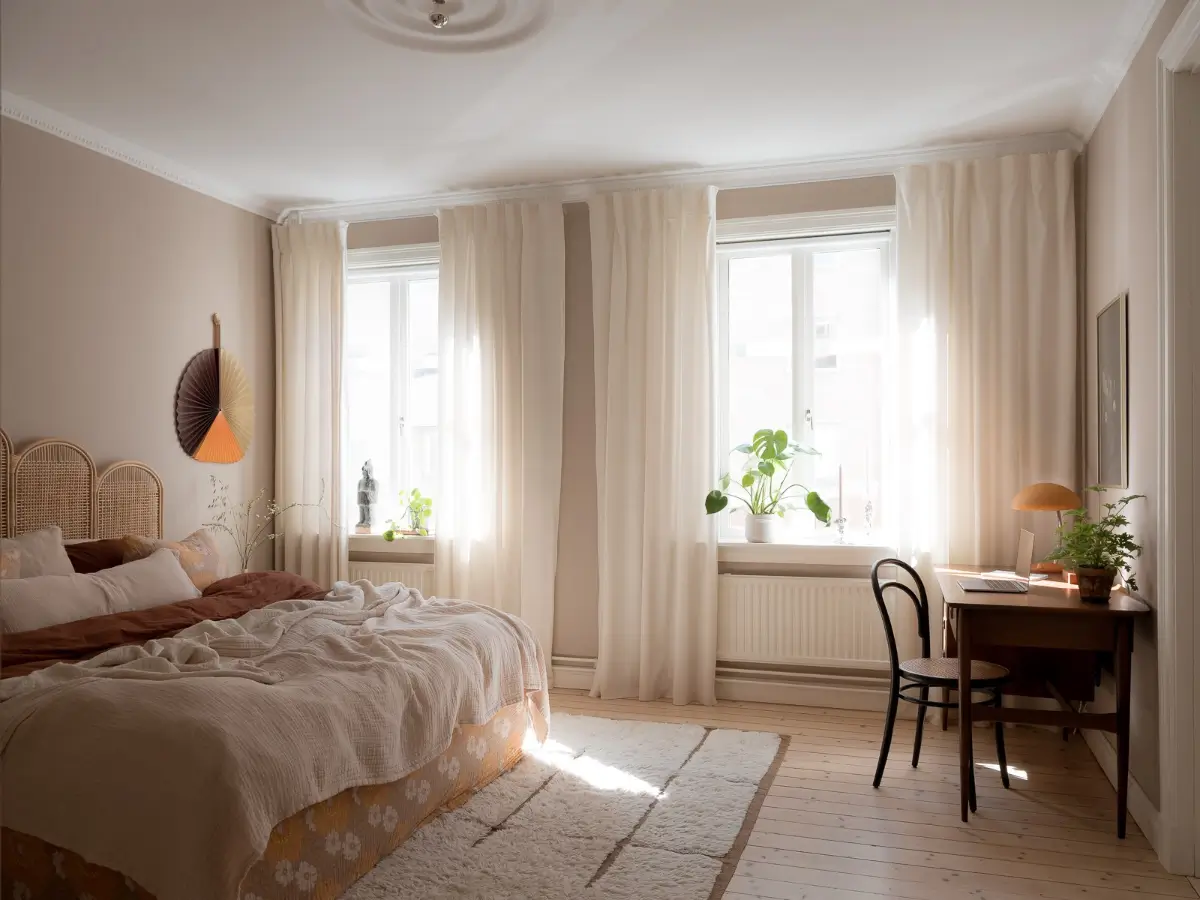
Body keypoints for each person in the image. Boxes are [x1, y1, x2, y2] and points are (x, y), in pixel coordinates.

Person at [355, 460, 378, 534]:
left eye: (364, 470)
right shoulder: (360, 481)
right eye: (363, 471)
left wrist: (368, 494)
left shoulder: (372, 481)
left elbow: (374, 492)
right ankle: (362, 520)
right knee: (361, 509)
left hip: (367, 499)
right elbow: (358, 490)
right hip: (361, 498)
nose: (363, 472)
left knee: (366, 509)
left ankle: (367, 520)